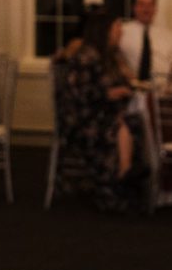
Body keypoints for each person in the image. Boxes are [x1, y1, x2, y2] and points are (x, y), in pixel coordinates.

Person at [59, 11, 145, 212]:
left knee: (133, 123)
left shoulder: (111, 56)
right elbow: (78, 93)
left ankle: (124, 177)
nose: (121, 32)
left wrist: (124, 75)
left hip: (104, 113)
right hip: (84, 117)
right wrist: (108, 93)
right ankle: (121, 178)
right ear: (104, 30)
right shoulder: (86, 56)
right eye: (117, 27)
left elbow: (126, 81)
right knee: (119, 127)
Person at [118, 0, 172, 82]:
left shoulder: (168, 36)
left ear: (155, 8)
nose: (146, 9)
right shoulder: (122, 32)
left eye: (150, 5)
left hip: (161, 90)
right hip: (132, 89)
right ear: (134, 7)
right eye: (141, 4)